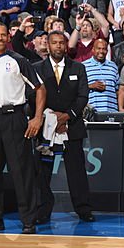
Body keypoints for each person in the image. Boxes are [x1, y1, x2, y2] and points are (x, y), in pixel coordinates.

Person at [0, 23, 46, 235]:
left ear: (8, 37)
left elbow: (40, 89)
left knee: (21, 172)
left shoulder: (19, 61)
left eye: (3, 35)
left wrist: (37, 118)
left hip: (15, 118)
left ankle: (28, 221)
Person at [34, 31, 94, 224]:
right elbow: (32, 96)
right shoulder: (37, 68)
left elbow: (83, 96)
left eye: (61, 43)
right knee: (42, 171)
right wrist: (50, 117)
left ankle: (83, 209)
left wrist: (67, 117)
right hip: (45, 128)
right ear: (48, 45)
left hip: (72, 126)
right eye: (54, 43)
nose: (58, 46)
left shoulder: (78, 68)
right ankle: (43, 209)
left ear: (66, 45)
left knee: (76, 171)